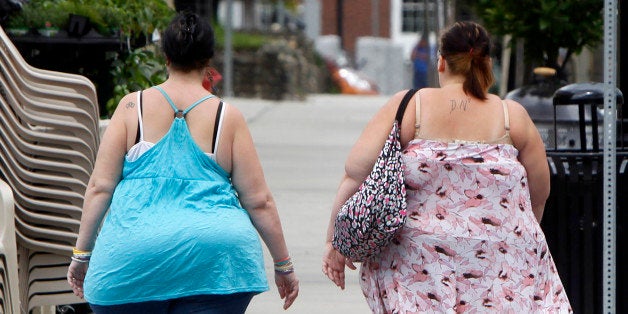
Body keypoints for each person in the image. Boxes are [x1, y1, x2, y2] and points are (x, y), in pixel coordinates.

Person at [322, 21, 572, 313]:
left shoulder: (409, 106)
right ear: (487, 63)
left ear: (441, 61)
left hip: (416, 264)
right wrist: (515, 240)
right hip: (500, 265)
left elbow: (354, 175)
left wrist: (334, 241)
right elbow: (539, 195)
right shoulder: (512, 117)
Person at [67, 11, 299, 313]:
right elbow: (259, 201)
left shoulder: (130, 108)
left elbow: (100, 188)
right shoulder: (226, 118)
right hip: (216, 260)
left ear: (165, 55)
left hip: (132, 258)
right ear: (208, 59)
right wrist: (284, 264)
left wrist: (82, 254)